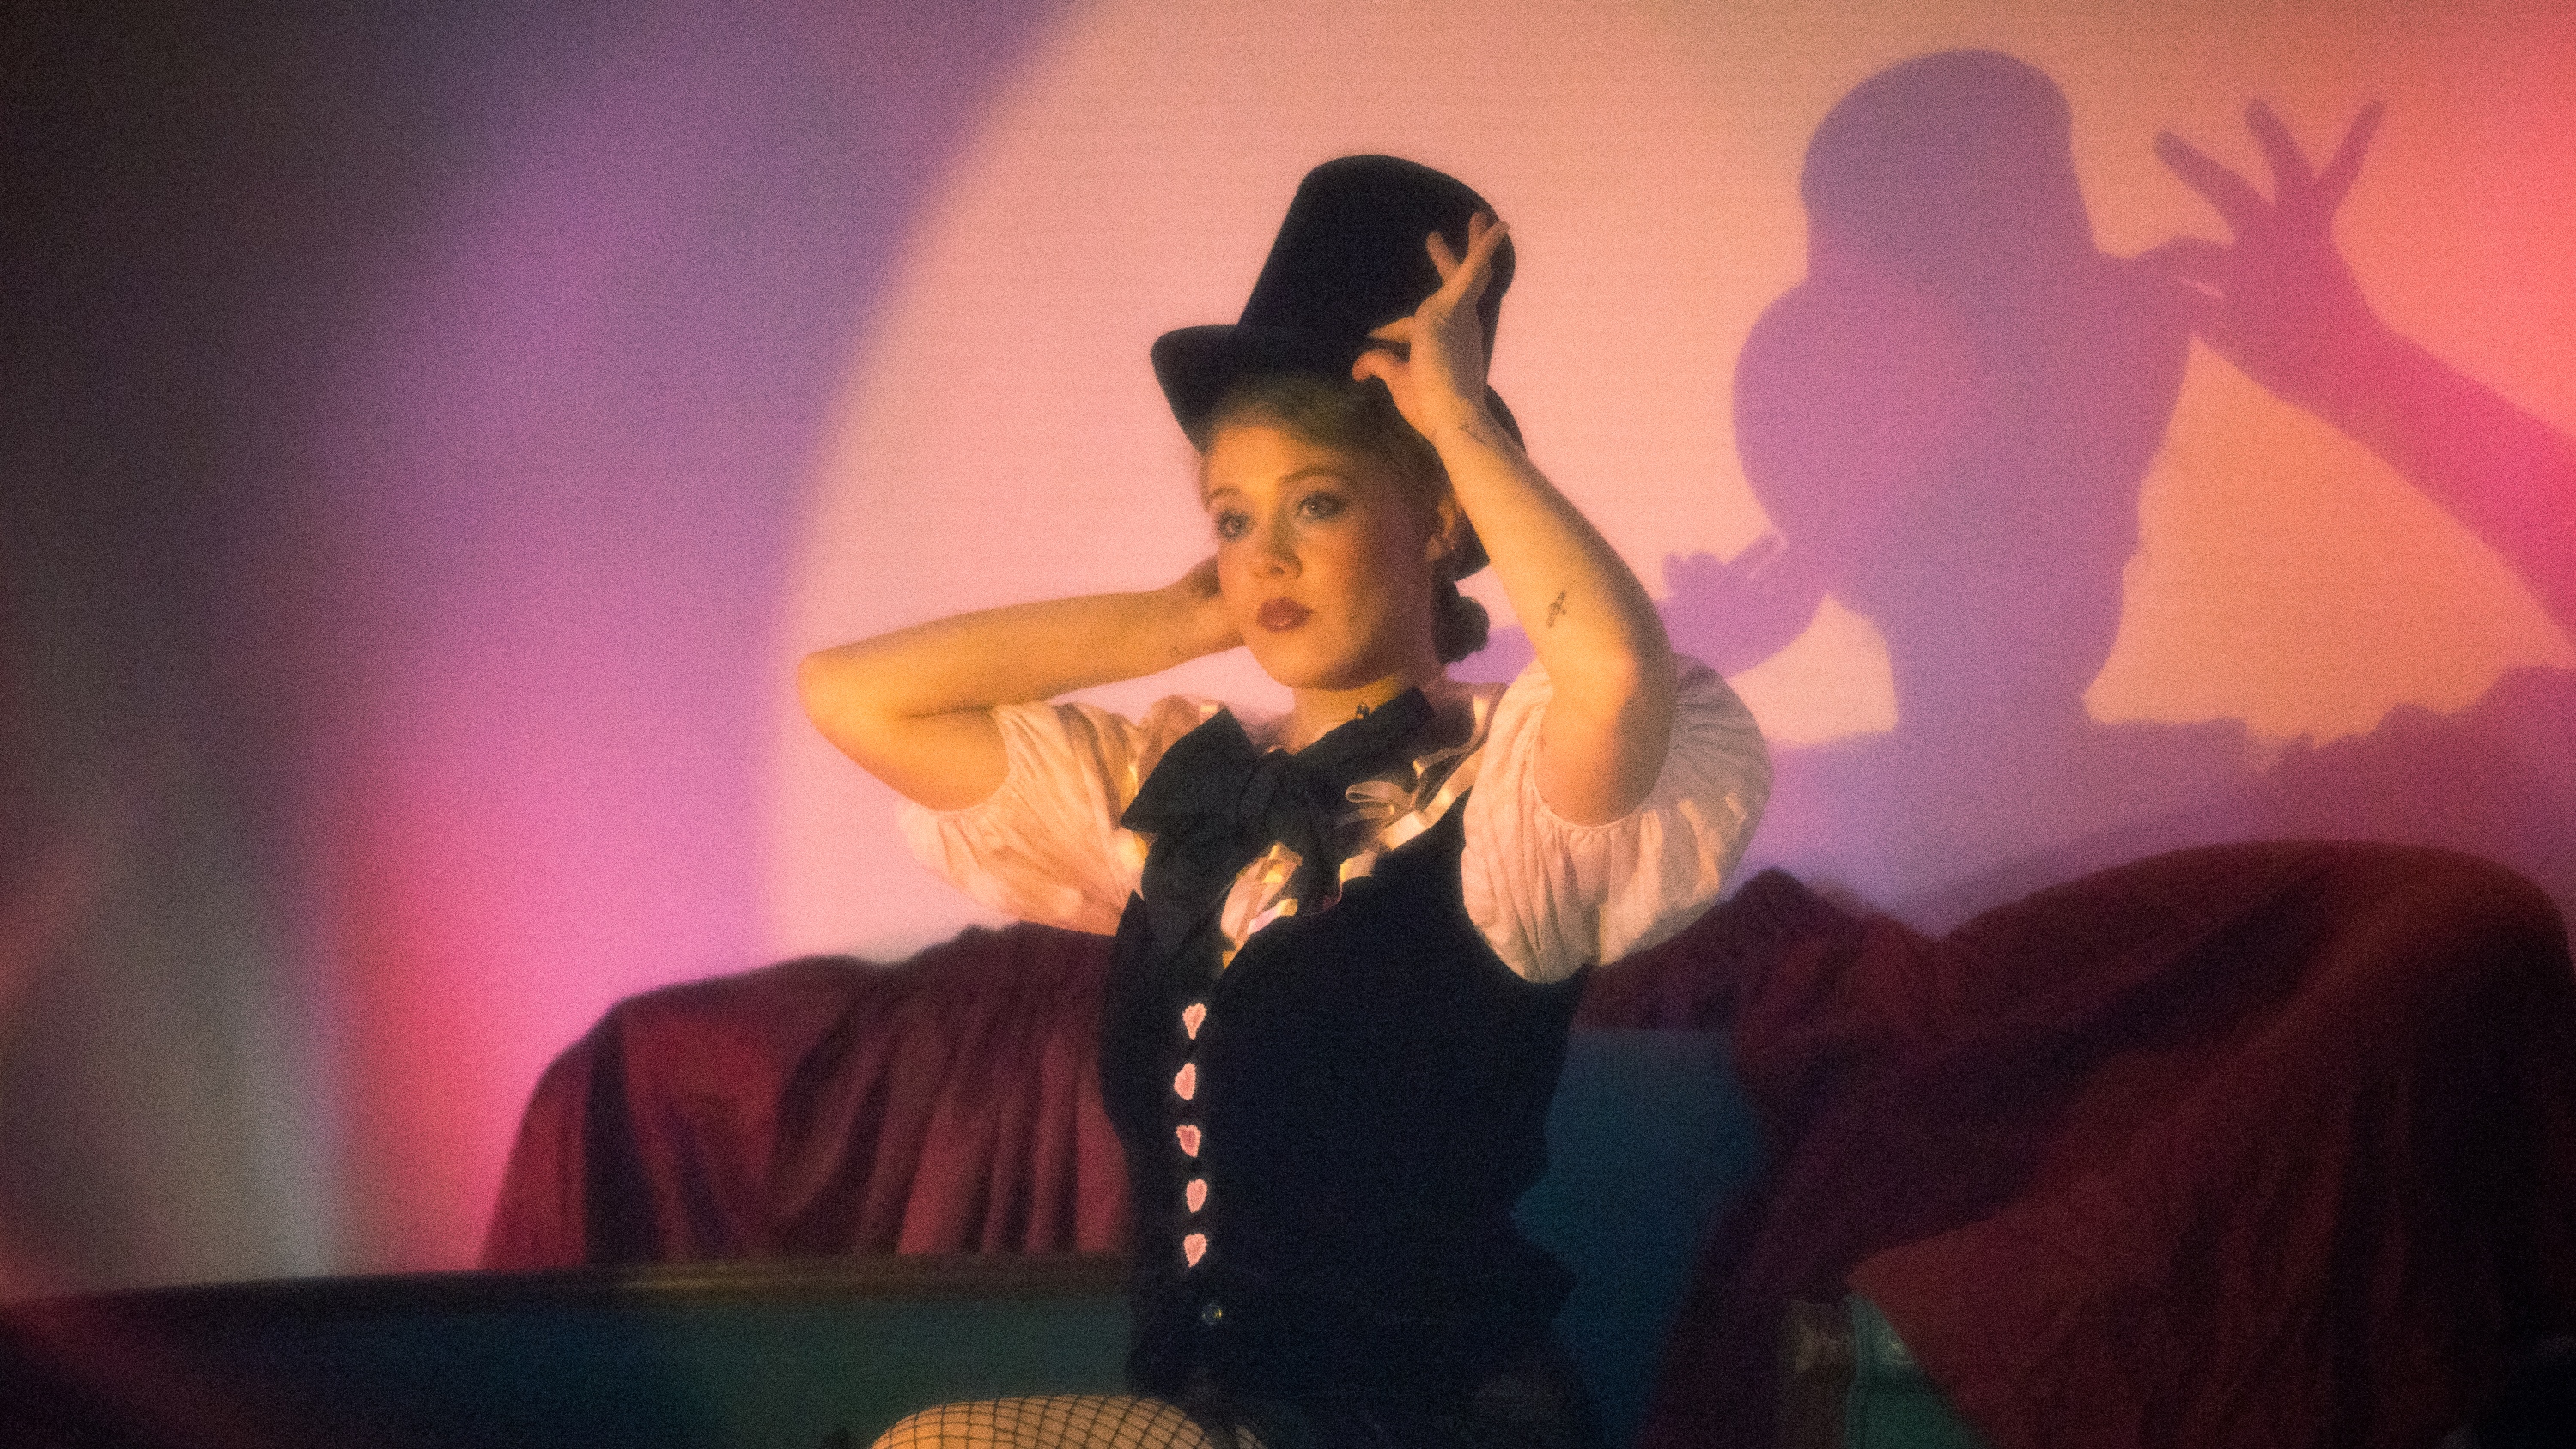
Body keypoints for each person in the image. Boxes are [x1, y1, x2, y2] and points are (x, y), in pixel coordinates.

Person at [798, 155, 1771, 1449]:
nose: (1268, 556)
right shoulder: (1181, 799)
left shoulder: (1504, 803)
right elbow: (853, 697)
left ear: (1436, 520)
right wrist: (1174, 620)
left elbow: (1615, 672)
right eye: (1233, 518)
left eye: (1316, 504)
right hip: (1208, 1425)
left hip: (1431, 1425)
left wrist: (1459, 421)